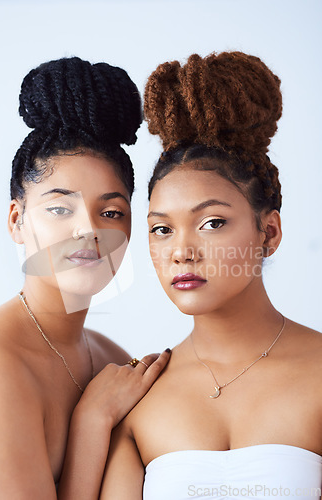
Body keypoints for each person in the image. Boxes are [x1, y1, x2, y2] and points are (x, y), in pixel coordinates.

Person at [100, 52, 322, 500]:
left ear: (269, 231)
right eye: (161, 229)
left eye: (212, 223)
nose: (181, 252)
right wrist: (94, 419)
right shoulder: (135, 395)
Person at [0, 56, 171, 500]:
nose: (88, 230)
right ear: (16, 220)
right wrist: (91, 421)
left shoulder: (113, 358)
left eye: (111, 212)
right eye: (59, 208)